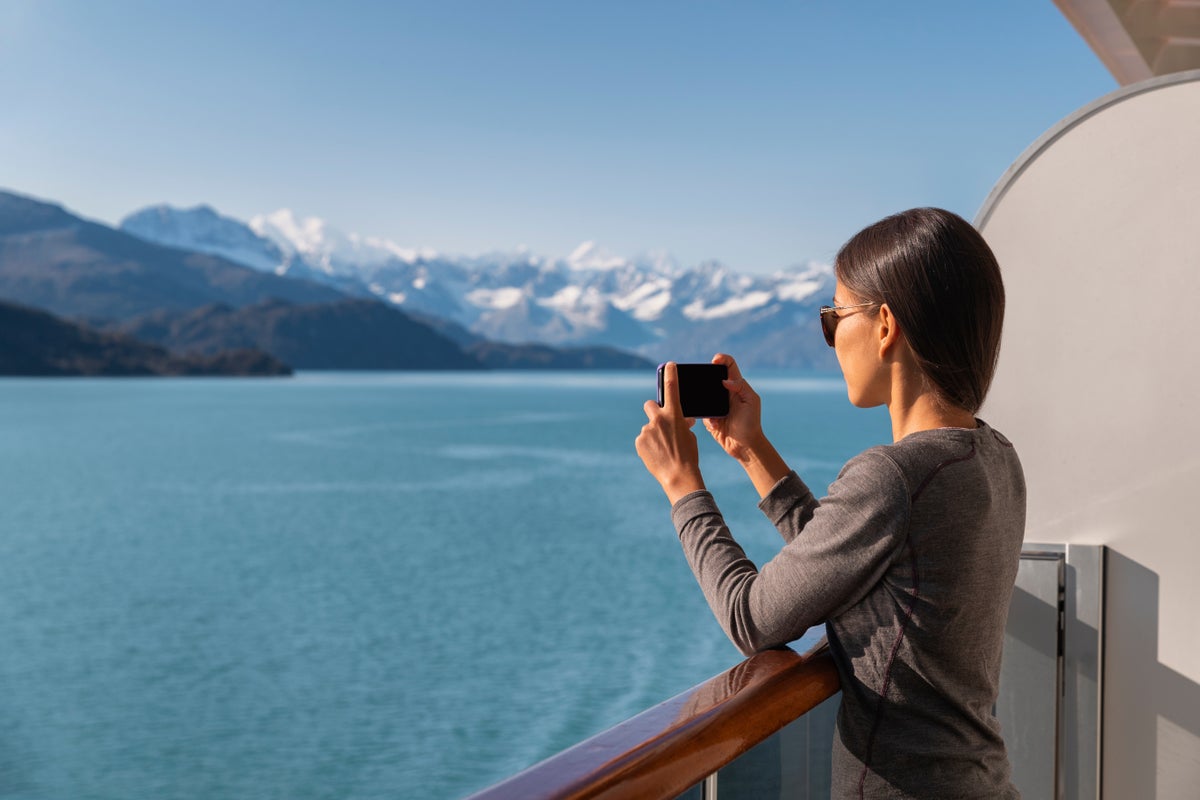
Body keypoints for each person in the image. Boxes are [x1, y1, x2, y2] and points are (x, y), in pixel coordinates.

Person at [635, 207, 1026, 799]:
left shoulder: (893, 477)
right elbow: (852, 558)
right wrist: (752, 451)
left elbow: (751, 618)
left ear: (885, 325)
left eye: (833, 317)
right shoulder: (995, 458)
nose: (830, 338)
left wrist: (683, 486)